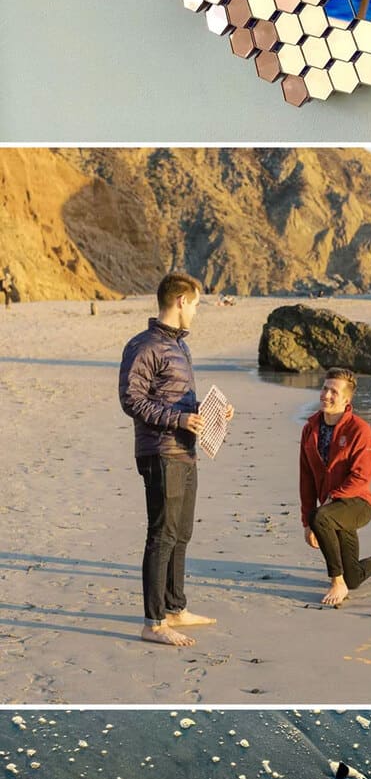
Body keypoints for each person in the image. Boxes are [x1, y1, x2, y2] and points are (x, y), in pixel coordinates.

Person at [119, 272, 234, 647]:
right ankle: (153, 622)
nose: (197, 312)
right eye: (197, 304)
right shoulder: (144, 345)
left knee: (181, 533)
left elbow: (176, 401)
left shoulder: (181, 347)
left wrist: (210, 412)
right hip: (159, 452)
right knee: (162, 535)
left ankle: (175, 608)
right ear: (181, 301)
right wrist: (179, 419)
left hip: (186, 450)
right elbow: (132, 400)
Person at [300, 367, 371, 608]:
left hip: (358, 503)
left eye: (334, 392)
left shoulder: (359, 429)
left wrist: (327, 504)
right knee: (354, 577)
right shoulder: (310, 429)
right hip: (332, 509)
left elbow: (361, 477)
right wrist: (307, 522)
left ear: (346, 400)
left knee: (322, 517)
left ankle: (336, 582)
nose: (326, 395)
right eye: (325, 388)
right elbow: (305, 478)